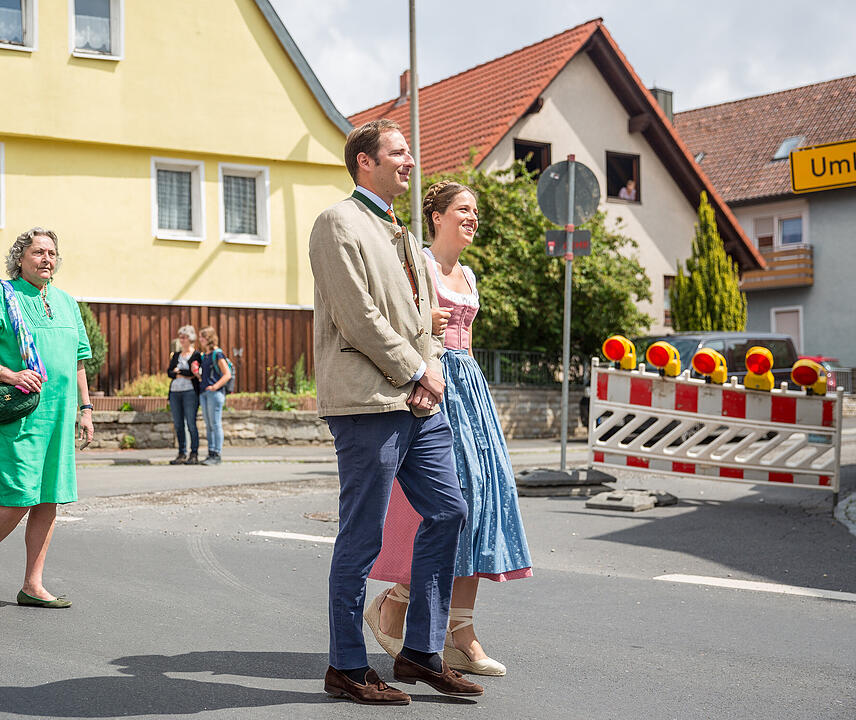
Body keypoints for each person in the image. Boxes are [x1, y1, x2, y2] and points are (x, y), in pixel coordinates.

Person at [309, 119, 483, 705]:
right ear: (365, 161)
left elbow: (428, 316)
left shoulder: (402, 233)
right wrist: (415, 370)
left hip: (418, 400)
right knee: (363, 534)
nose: (410, 160)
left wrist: (429, 370)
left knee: (449, 511)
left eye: (409, 152)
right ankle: (346, 666)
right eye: (398, 152)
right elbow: (356, 316)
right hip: (367, 402)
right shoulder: (337, 223)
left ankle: (421, 652)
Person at [365, 181, 532, 676]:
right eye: (463, 208)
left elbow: (468, 341)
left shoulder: (469, 273)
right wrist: (420, 345)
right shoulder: (415, 263)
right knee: (443, 503)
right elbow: (391, 325)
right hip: (430, 382)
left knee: (481, 501)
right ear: (436, 216)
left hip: (469, 387)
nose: (472, 217)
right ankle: (394, 603)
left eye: (475, 210)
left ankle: (461, 631)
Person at [0, 227, 93, 608]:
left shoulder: (67, 302)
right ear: (20, 258)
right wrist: (11, 374)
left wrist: (86, 409)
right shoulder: (4, 296)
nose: (47, 259)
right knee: (18, 497)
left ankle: (32, 585)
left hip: (59, 417)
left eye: (52, 253)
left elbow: (79, 360)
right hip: (22, 416)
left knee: (48, 499)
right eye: (38, 252)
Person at [166, 325, 202, 465]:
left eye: (184, 337)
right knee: (178, 424)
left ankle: (194, 453)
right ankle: (181, 453)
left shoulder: (196, 355)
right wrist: (181, 373)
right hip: (175, 393)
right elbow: (169, 372)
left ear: (190, 338)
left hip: (190, 393)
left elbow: (193, 374)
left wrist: (179, 372)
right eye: (180, 337)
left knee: (191, 423)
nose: (181, 340)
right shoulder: (176, 355)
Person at [196, 326, 231, 466]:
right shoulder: (205, 355)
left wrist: (215, 386)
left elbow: (227, 374)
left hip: (214, 393)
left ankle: (217, 454)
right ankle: (211, 453)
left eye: (202, 337)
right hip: (204, 393)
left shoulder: (218, 354)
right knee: (209, 424)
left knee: (215, 423)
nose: (200, 339)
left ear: (209, 338)